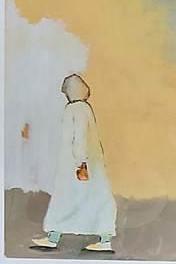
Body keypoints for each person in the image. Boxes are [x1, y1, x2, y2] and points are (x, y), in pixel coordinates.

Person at [31, 71, 118, 254]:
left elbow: (79, 137)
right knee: (97, 199)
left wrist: (81, 162)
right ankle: (105, 239)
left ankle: (53, 238)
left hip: (76, 166)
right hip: (90, 164)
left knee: (65, 200)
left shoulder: (74, 109)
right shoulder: (86, 108)